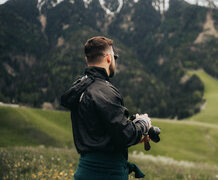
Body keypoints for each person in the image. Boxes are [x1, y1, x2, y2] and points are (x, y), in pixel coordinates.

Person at [61, 36, 151, 180]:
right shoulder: (104, 91)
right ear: (109, 58)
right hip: (107, 174)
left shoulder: (79, 89)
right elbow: (125, 134)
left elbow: (101, 133)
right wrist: (143, 123)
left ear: (86, 59)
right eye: (115, 56)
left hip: (84, 172)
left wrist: (133, 133)